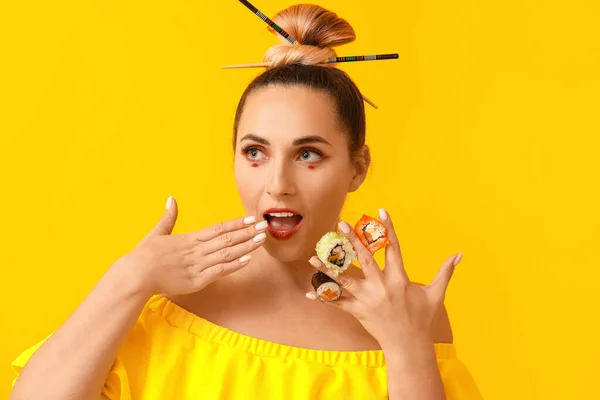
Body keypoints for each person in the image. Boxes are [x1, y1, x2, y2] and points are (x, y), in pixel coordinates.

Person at [10, 4, 482, 399]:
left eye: (309, 154)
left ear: (358, 167)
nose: (278, 183)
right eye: (255, 152)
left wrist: (405, 348)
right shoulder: (165, 304)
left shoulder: (409, 313)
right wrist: (128, 279)